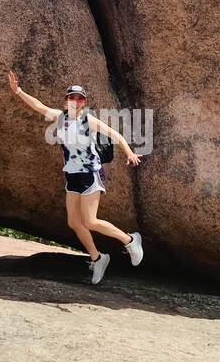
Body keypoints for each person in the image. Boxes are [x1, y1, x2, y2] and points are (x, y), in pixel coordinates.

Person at [8, 70, 144, 284]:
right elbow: (39, 106)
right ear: (66, 102)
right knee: (74, 221)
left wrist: (129, 152)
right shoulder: (60, 118)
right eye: (72, 97)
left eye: (79, 98)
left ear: (83, 103)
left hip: (90, 174)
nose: (76, 101)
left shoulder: (87, 120)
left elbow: (115, 135)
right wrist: (18, 91)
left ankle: (130, 240)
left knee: (90, 220)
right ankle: (98, 258)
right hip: (72, 176)